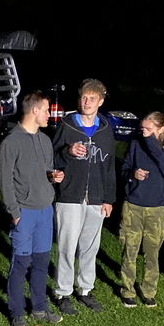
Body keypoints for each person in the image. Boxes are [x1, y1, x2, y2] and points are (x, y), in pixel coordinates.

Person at [0, 90, 65, 326]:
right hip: (24, 212)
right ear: (34, 110)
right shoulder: (11, 142)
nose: (49, 114)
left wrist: (53, 178)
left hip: (45, 209)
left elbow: (46, 171)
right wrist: (14, 212)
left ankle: (39, 308)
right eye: (46, 110)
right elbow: (4, 180)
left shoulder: (45, 140)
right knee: (21, 263)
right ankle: (16, 313)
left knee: (41, 262)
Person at [51, 78, 117, 314]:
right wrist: (67, 151)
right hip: (69, 195)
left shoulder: (105, 129)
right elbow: (52, 158)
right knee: (67, 246)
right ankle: (63, 292)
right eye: (83, 97)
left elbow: (109, 166)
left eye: (92, 98)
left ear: (100, 101)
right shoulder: (67, 126)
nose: (87, 102)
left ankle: (86, 289)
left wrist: (108, 199)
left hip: (96, 198)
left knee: (90, 246)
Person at [119, 112, 164, 307]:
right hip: (133, 205)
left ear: (161, 129)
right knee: (129, 249)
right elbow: (124, 168)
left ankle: (148, 290)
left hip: (157, 208)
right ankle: (127, 290)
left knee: (152, 252)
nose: (143, 132)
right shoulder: (136, 143)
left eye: (148, 129)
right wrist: (132, 174)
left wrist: (152, 143)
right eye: (142, 128)